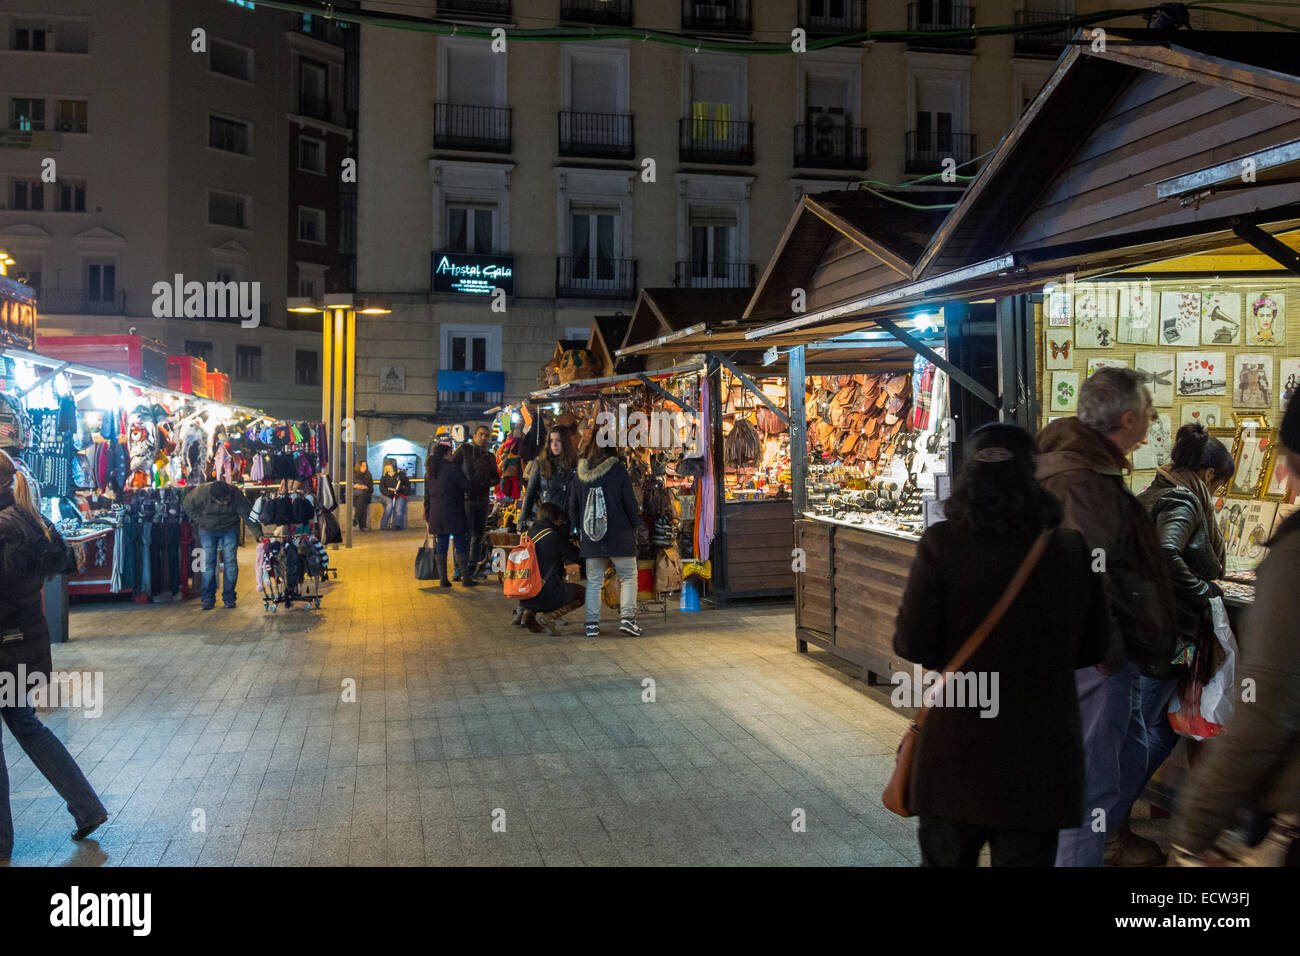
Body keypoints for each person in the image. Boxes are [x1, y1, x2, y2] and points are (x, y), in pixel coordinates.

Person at [893, 424, 1109, 866]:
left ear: (966, 476)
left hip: (956, 751)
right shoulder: (1069, 549)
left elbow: (912, 642)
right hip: (1039, 755)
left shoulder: (942, 544)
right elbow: (1094, 648)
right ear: (1032, 475)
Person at [1036, 367, 1177, 867]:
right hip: (1094, 661)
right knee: (1088, 794)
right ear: (1129, 418)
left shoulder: (1082, 468)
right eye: (1151, 414)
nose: (1154, 423)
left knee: (1126, 758)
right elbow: (1081, 577)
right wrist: (1108, 653)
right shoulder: (1082, 480)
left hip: (1106, 660)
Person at [1172, 396, 1300, 864]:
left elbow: (1264, 707)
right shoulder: (1185, 500)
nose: (1280, 472)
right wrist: (1204, 591)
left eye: (1283, 457)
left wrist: (1194, 828)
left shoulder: (1293, 557)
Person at [0, 449, 109, 860]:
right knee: (28, 727)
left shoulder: (3, 529)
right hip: (22, 645)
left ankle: (1, 843)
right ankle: (87, 806)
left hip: (4, 645)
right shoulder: (31, 519)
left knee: (24, 729)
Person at [1135, 424, 1236, 790]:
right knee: (1152, 730)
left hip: (1147, 628)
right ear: (1208, 474)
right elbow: (1165, 552)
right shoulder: (1184, 499)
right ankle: (1111, 825)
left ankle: (1114, 822)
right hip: (1169, 633)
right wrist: (1203, 592)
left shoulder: (1155, 490)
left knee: (1150, 726)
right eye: (1219, 484)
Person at [569, 439, 642, 637]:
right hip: (620, 534)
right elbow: (629, 502)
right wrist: (636, 524)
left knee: (593, 580)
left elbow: (573, 508)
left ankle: (592, 624)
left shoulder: (580, 477)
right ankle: (628, 619)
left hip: (591, 537)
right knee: (628, 576)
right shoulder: (617, 471)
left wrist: (577, 531)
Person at [183, 476, 262, 610]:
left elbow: (247, 514)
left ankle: (229, 597)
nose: (226, 502)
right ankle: (208, 598)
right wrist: (201, 521)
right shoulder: (200, 493)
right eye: (223, 501)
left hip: (229, 528)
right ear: (214, 499)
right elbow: (187, 505)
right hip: (207, 529)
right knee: (208, 562)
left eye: (227, 499)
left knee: (230, 561)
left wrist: (258, 534)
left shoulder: (235, 494)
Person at [517, 502, 584, 634]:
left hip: (523, 594)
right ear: (555, 520)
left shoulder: (525, 535)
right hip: (544, 593)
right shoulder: (553, 536)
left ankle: (528, 614)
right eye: (560, 520)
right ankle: (551, 616)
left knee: (546, 586)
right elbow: (577, 556)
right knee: (584, 593)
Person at [424, 443, 475, 589]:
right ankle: (466, 578)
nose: (452, 456)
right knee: (460, 542)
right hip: (454, 510)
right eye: (450, 453)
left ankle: (443, 579)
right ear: (446, 454)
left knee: (441, 544)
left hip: (436, 513)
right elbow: (466, 485)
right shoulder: (452, 469)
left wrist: (428, 515)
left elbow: (427, 497)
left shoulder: (430, 472)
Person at [453, 426, 500, 579]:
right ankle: (459, 568)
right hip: (466, 499)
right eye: (481, 435)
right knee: (463, 534)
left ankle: (472, 568)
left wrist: (487, 481)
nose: (484, 438)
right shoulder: (464, 450)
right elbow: (453, 470)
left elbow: (496, 477)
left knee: (478, 535)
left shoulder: (490, 456)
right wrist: (463, 488)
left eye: (487, 435)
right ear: (474, 436)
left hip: (483, 499)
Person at [517, 425, 577, 534]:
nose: (554, 444)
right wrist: (522, 519)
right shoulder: (541, 464)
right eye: (551, 441)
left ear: (565, 442)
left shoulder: (574, 465)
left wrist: (575, 524)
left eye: (558, 440)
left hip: (564, 521)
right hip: (543, 520)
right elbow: (530, 493)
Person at [497, 424, 525, 502]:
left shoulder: (518, 442)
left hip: (513, 473)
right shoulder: (506, 444)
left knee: (512, 491)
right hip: (508, 473)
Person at [352, 461, 374, 531]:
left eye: (365, 466)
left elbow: (371, 488)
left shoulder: (368, 475)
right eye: (362, 466)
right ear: (359, 466)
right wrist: (355, 486)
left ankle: (357, 517)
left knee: (362, 497)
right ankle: (362, 525)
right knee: (362, 497)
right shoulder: (353, 474)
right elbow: (349, 485)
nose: (364, 468)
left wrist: (365, 487)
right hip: (355, 494)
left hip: (365, 494)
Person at [378, 459, 398, 530]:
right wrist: (388, 492)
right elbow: (381, 488)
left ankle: (394, 524)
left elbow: (396, 486)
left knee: (395, 507)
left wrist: (393, 477)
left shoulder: (396, 476)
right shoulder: (384, 476)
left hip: (393, 495)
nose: (387, 467)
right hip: (385, 495)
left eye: (389, 465)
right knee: (389, 505)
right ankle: (383, 525)